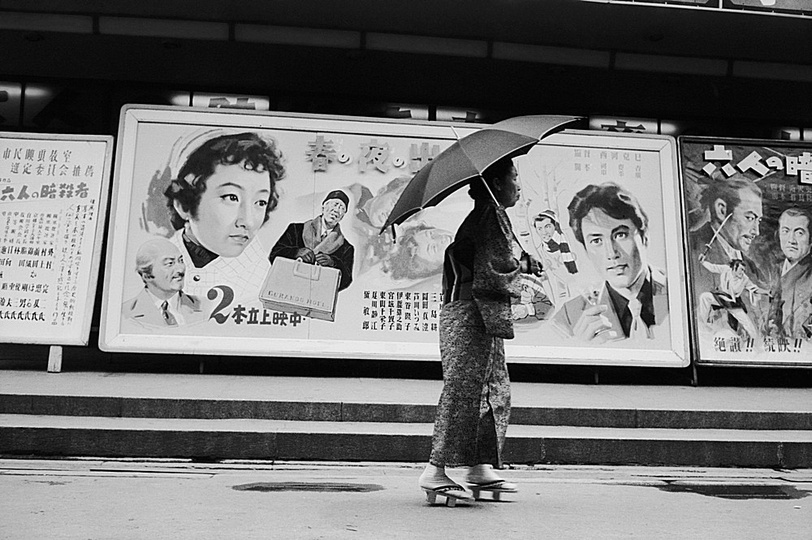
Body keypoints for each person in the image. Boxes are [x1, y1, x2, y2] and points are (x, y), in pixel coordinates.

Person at [418, 157, 541, 505]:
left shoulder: (488, 217)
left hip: (475, 315)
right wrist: (524, 273)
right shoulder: (491, 216)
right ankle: (435, 469)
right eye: (514, 178)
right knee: (466, 392)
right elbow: (493, 273)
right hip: (471, 314)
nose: (518, 185)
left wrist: (521, 262)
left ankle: (479, 465)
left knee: (490, 390)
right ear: (497, 183)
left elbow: (494, 262)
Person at [163, 132, 285, 302]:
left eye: (261, 202)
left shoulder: (261, 274)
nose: (248, 222)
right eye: (231, 197)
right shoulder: (154, 261)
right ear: (184, 205)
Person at [551, 183, 668, 343]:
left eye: (620, 235)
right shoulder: (567, 319)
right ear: (586, 250)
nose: (611, 254)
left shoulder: (683, 295)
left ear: (644, 236)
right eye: (597, 240)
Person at [689, 174, 765, 295]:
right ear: (722, 210)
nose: (756, 231)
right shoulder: (689, 249)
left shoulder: (754, 271)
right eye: (750, 218)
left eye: (758, 221)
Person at [269, 190, 355, 292]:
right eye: (335, 204)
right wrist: (296, 252)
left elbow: (347, 280)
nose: (337, 210)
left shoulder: (346, 247)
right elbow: (274, 255)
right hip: (287, 289)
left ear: (342, 216)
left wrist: (333, 263)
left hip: (317, 294)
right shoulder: (296, 229)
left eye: (342, 208)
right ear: (323, 207)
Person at [122, 238, 206, 327]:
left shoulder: (206, 307)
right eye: (170, 263)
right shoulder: (124, 313)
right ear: (147, 275)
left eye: (181, 261)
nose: (181, 269)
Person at [697, 254, 768, 340]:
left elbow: (754, 288)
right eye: (741, 269)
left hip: (733, 303)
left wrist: (766, 292)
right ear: (734, 267)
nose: (743, 272)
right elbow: (713, 267)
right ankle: (706, 323)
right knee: (704, 297)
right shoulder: (726, 269)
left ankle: (754, 340)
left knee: (747, 323)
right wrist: (703, 262)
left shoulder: (744, 279)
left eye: (744, 270)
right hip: (721, 297)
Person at [766, 207, 812, 340]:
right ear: (778, 235)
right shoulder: (770, 270)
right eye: (785, 231)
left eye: (799, 233)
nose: (791, 240)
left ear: (810, 239)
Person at [532, 209, 578, 304]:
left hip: (580, 287)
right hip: (562, 296)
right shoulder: (540, 252)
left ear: (555, 226)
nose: (544, 232)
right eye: (539, 229)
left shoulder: (570, 241)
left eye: (547, 226)